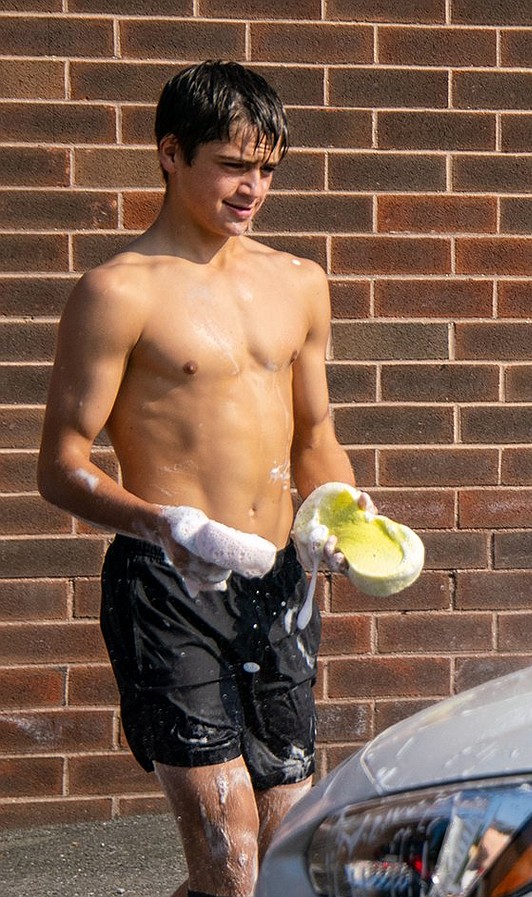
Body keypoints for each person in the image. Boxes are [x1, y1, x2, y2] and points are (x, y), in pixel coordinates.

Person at [37, 60, 370, 897]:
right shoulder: (117, 292)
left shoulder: (299, 281)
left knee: (289, 846)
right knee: (229, 856)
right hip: (171, 584)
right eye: (232, 163)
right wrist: (166, 525)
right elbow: (61, 467)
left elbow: (316, 434)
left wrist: (344, 510)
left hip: (277, 582)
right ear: (170, 153)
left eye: (266, 168)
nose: (252, 187)